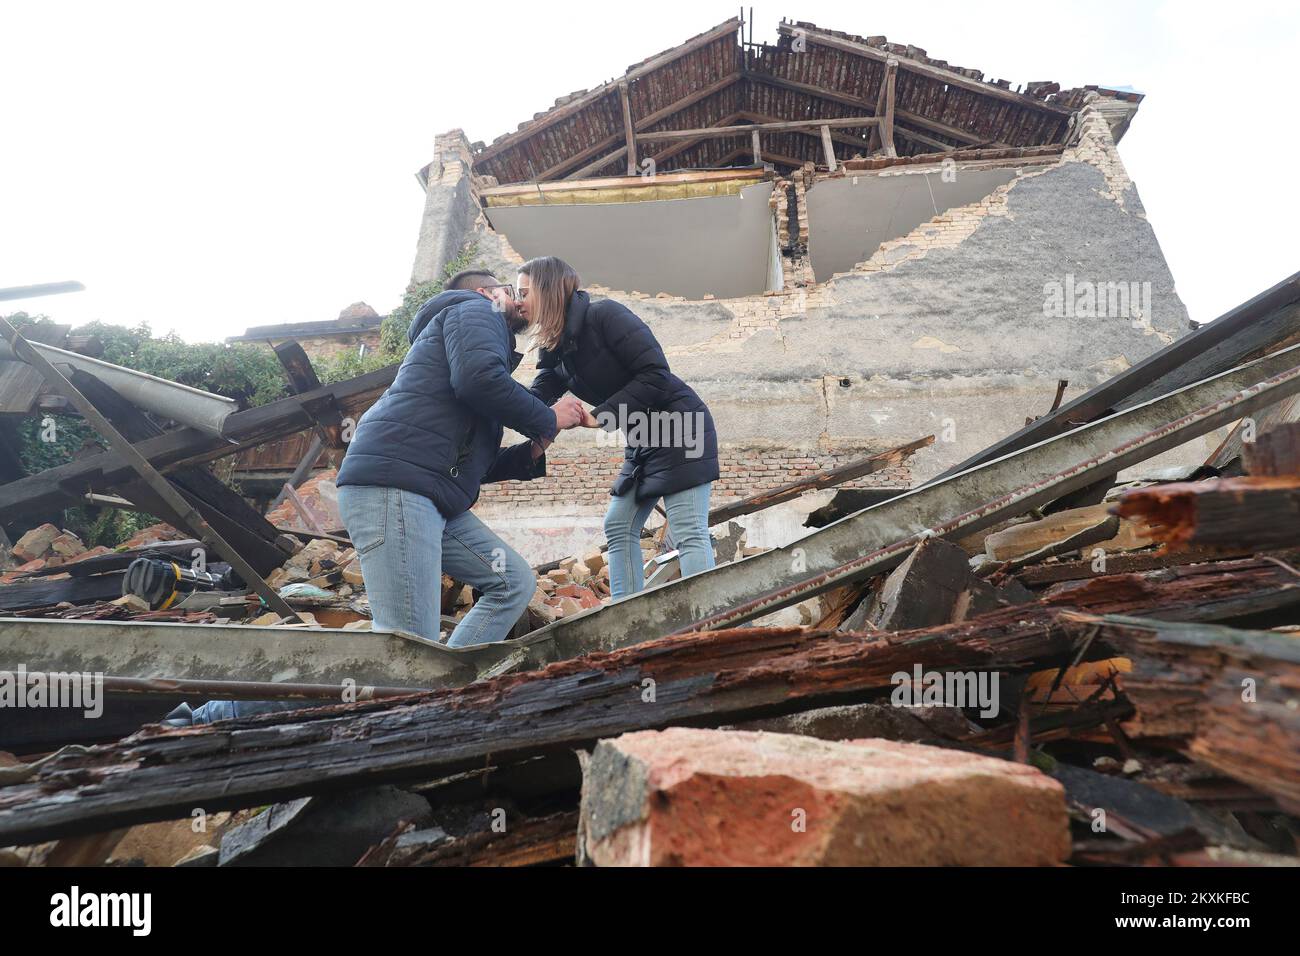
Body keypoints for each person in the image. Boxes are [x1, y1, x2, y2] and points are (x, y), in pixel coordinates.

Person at [334, 267, 588, 645]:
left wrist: (537, 443)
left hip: (431, 495)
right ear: (488, 294)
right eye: (510, 290)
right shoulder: (475, 310)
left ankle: (451, 685)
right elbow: (479, 380)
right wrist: (547, 416)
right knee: (407, 648)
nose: (519, 299)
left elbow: (468, 461)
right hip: (396, 489)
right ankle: (231, 707)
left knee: (511, 583)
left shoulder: (469, 345)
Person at [519, 256, 719, 598]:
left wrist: (601, 416)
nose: (518, 300)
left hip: (680, 426)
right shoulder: (555, 346)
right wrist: (500, 398)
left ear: (548, 290)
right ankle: (629, 617)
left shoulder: (605, 315)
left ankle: (712, 628)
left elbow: (656, 374)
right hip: (643, 435)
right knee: (619, 525)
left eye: (524, 292)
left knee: (688, 531)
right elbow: (538, 395)